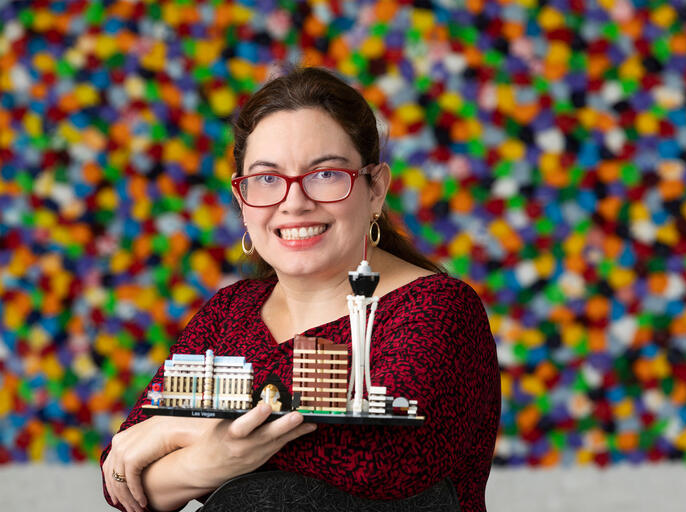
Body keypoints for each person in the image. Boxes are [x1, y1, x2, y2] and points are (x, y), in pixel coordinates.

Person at [100, 66, 500, 512]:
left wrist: (185, 432)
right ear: (242, 201)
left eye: (325, 174)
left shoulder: (437, 309)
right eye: (267, 179)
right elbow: (125, 467)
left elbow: (384, 460)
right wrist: (211, 460)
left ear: (375, 190)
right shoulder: (229, 313)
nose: (294, 202)